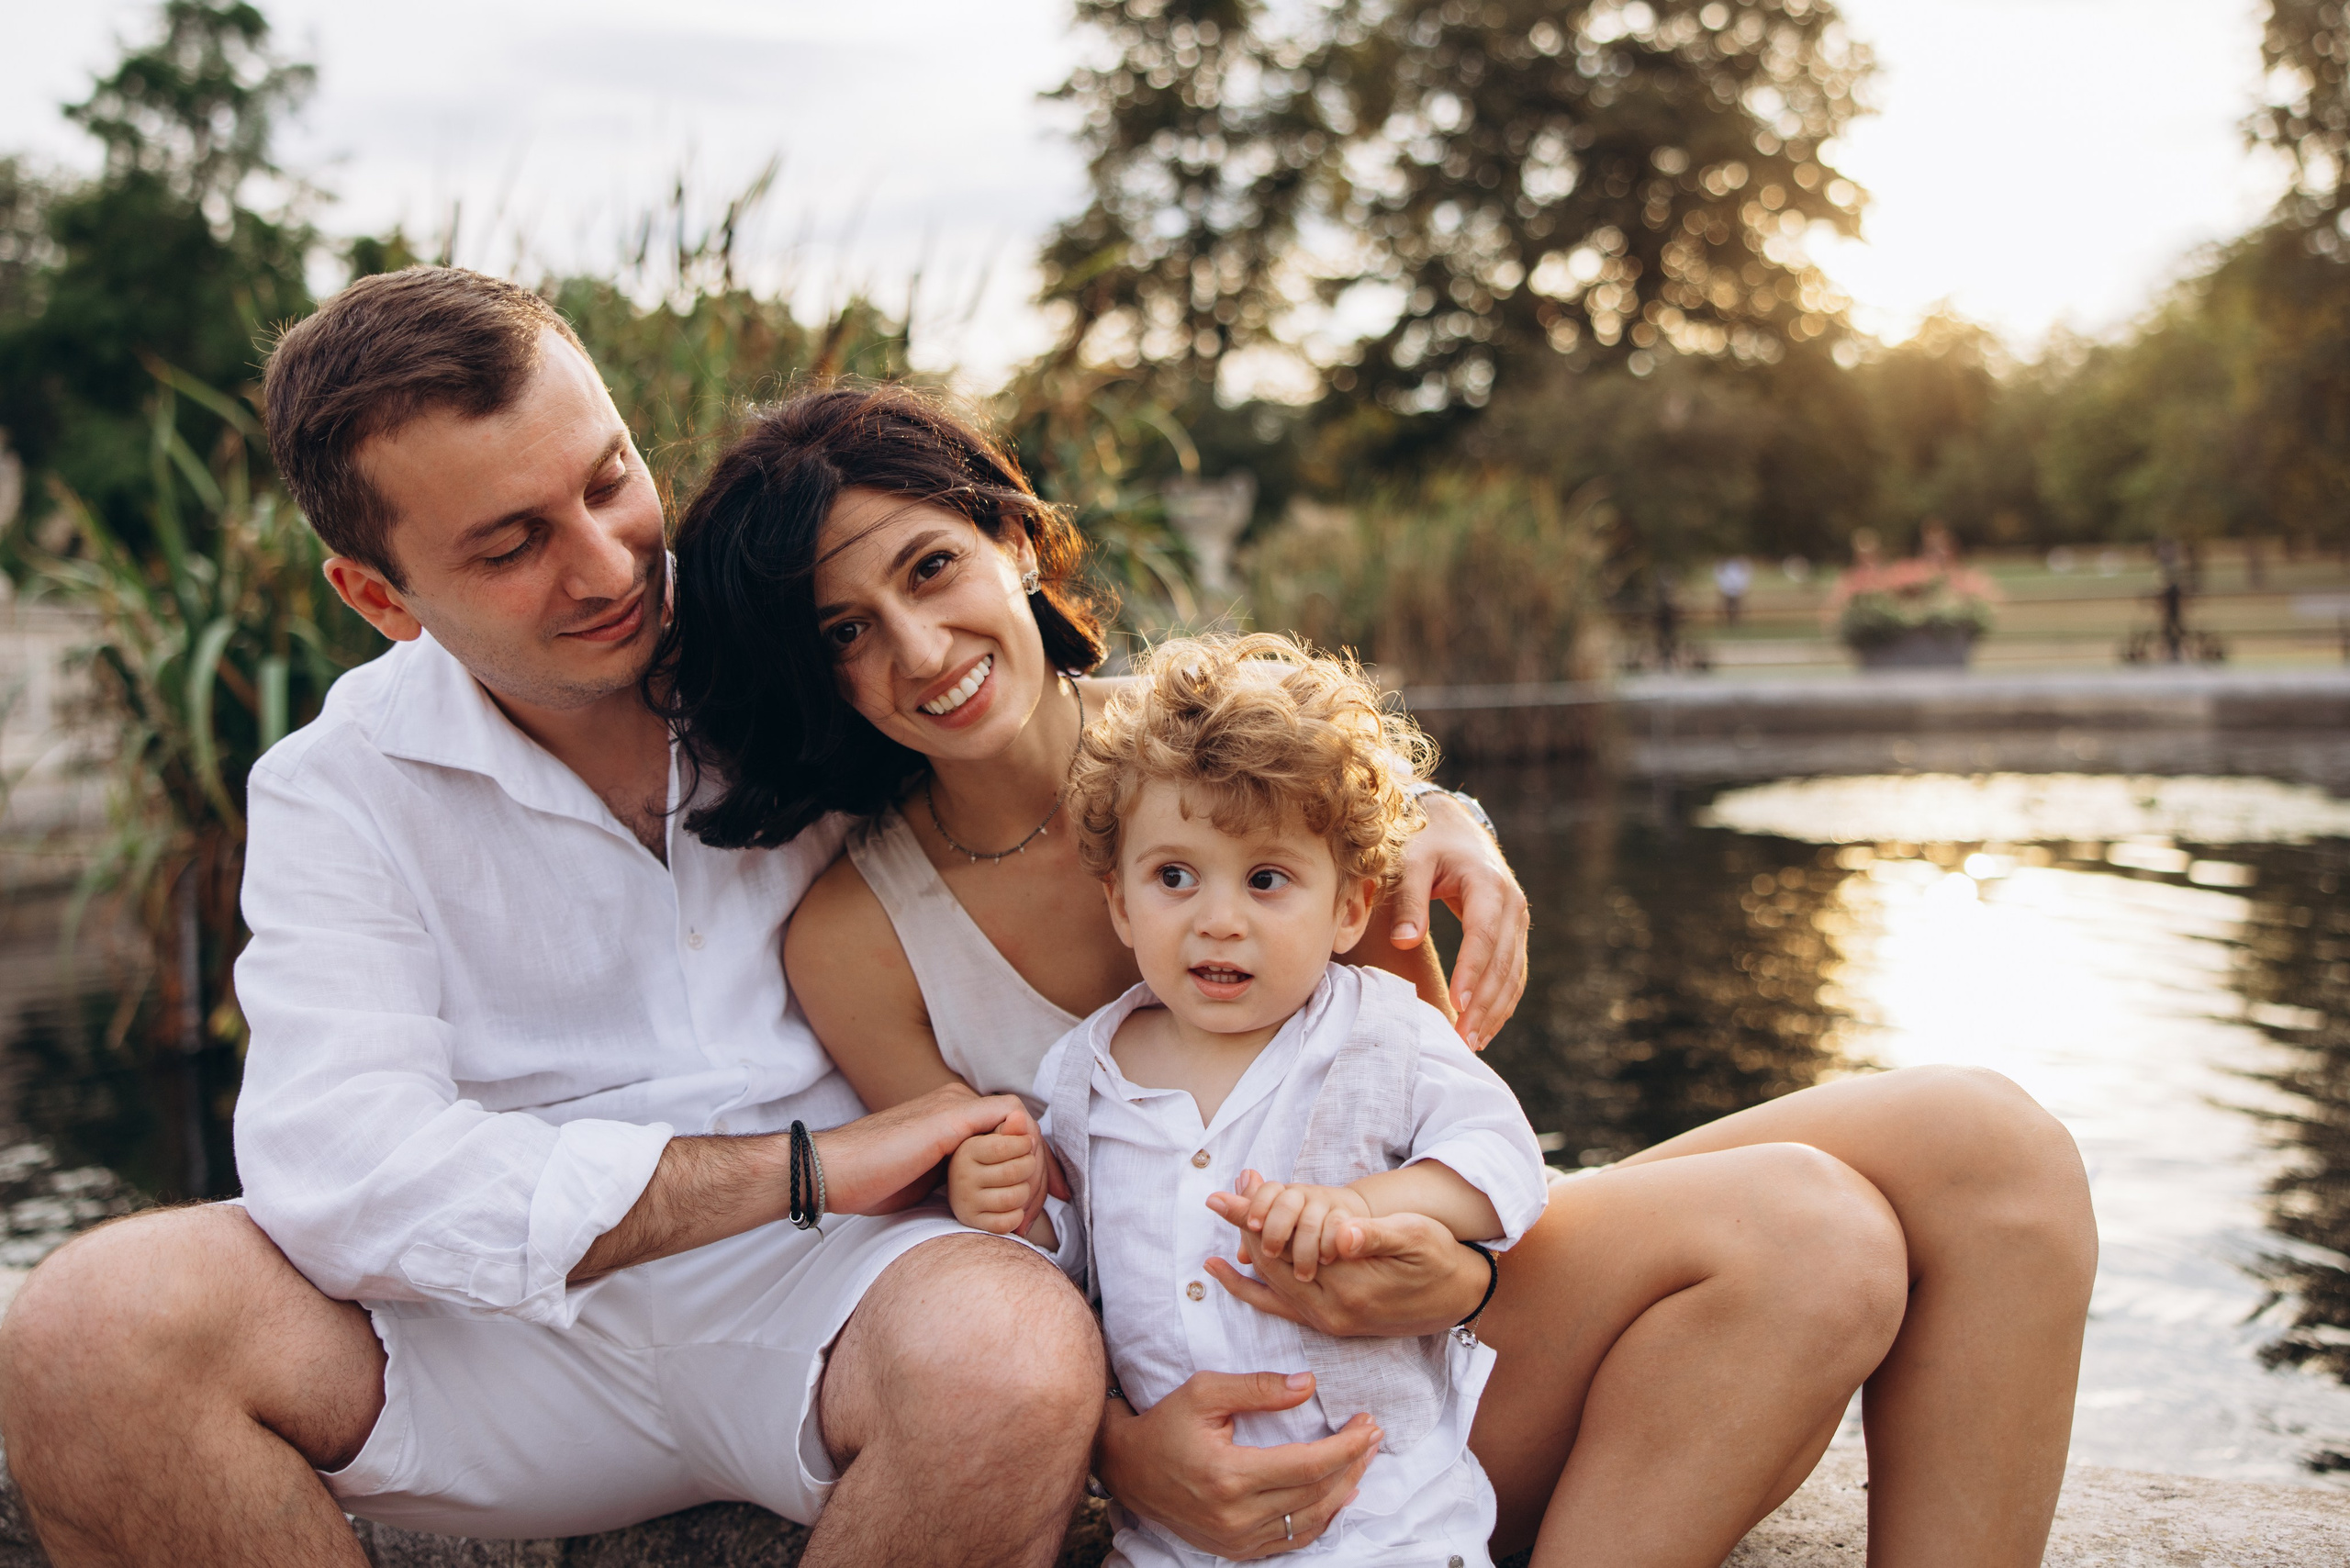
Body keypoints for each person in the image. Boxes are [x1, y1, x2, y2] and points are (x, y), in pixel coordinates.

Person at [679, 384, 2099, 1567]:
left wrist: (1441, 816)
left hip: (1429, 1307)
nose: (919, 651)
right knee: (1816, 1234)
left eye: (930, 568)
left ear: (1010, 540)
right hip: (1243, 1408)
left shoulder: (1235, 742)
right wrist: (1124, 1460)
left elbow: (1429, 1093)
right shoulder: (859, 933)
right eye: (843, 632)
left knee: (1997, 1147)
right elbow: (993, 1269)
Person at [0, 268, 1113, 1568]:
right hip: (490, 1345)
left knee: (1013, 1358)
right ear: (379, 598)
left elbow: (1054, 718)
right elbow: (338, 1170)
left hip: (845, 1300)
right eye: (511, 543)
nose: (608, 568)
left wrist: (1374, 811)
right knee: (88, 1328)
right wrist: (802, 1167)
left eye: (608, 481)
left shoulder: (804, 642)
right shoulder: (338, 789)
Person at [947, 633, 1548, 1565]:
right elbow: (1079, 1260)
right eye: (1173, 876)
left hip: (1385, 1525)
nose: (1216, 917)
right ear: (1118, 902)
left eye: (1266, 880)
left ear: (1349, 907)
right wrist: (1019, 1208)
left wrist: (1364, 1207)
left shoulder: (1379, 1029)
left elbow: (1504, 1165)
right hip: (1174, 1542)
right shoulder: (1083, 1069)